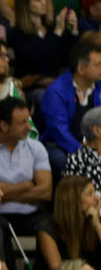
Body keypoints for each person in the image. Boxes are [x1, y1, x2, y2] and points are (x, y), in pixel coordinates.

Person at [0, 97, 52, 227]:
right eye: (22, 123)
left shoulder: (36, 147)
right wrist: (26, 186)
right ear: (4, 125)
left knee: (47, 225)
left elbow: (45, 192)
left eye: (28, 121)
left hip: (32, 214)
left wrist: (5, 195)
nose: (29, 127)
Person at [39, 40, 101, 177]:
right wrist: (85, 152)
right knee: (60, 159)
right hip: (59, 144)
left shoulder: (98, 85)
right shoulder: (56, 92)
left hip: (92, 141)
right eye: (98, 65)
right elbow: (59, 132)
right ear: (81, 69)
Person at [7, 0, 76, 93]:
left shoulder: (52, 27)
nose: (44, 3)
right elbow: (40, 62)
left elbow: (70, 57)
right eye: (38, 0)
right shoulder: (16, 34)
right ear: (25, 4)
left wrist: (73, 31)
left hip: (58, 83)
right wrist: (57, 33)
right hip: (34, 88)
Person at [37, 175, 101, 270]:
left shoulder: (94, 221)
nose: (96, 199)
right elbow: (56, 268)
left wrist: (97, 224)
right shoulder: (48, 227)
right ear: (74, 199)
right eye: (90, 194)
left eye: (95, 193)